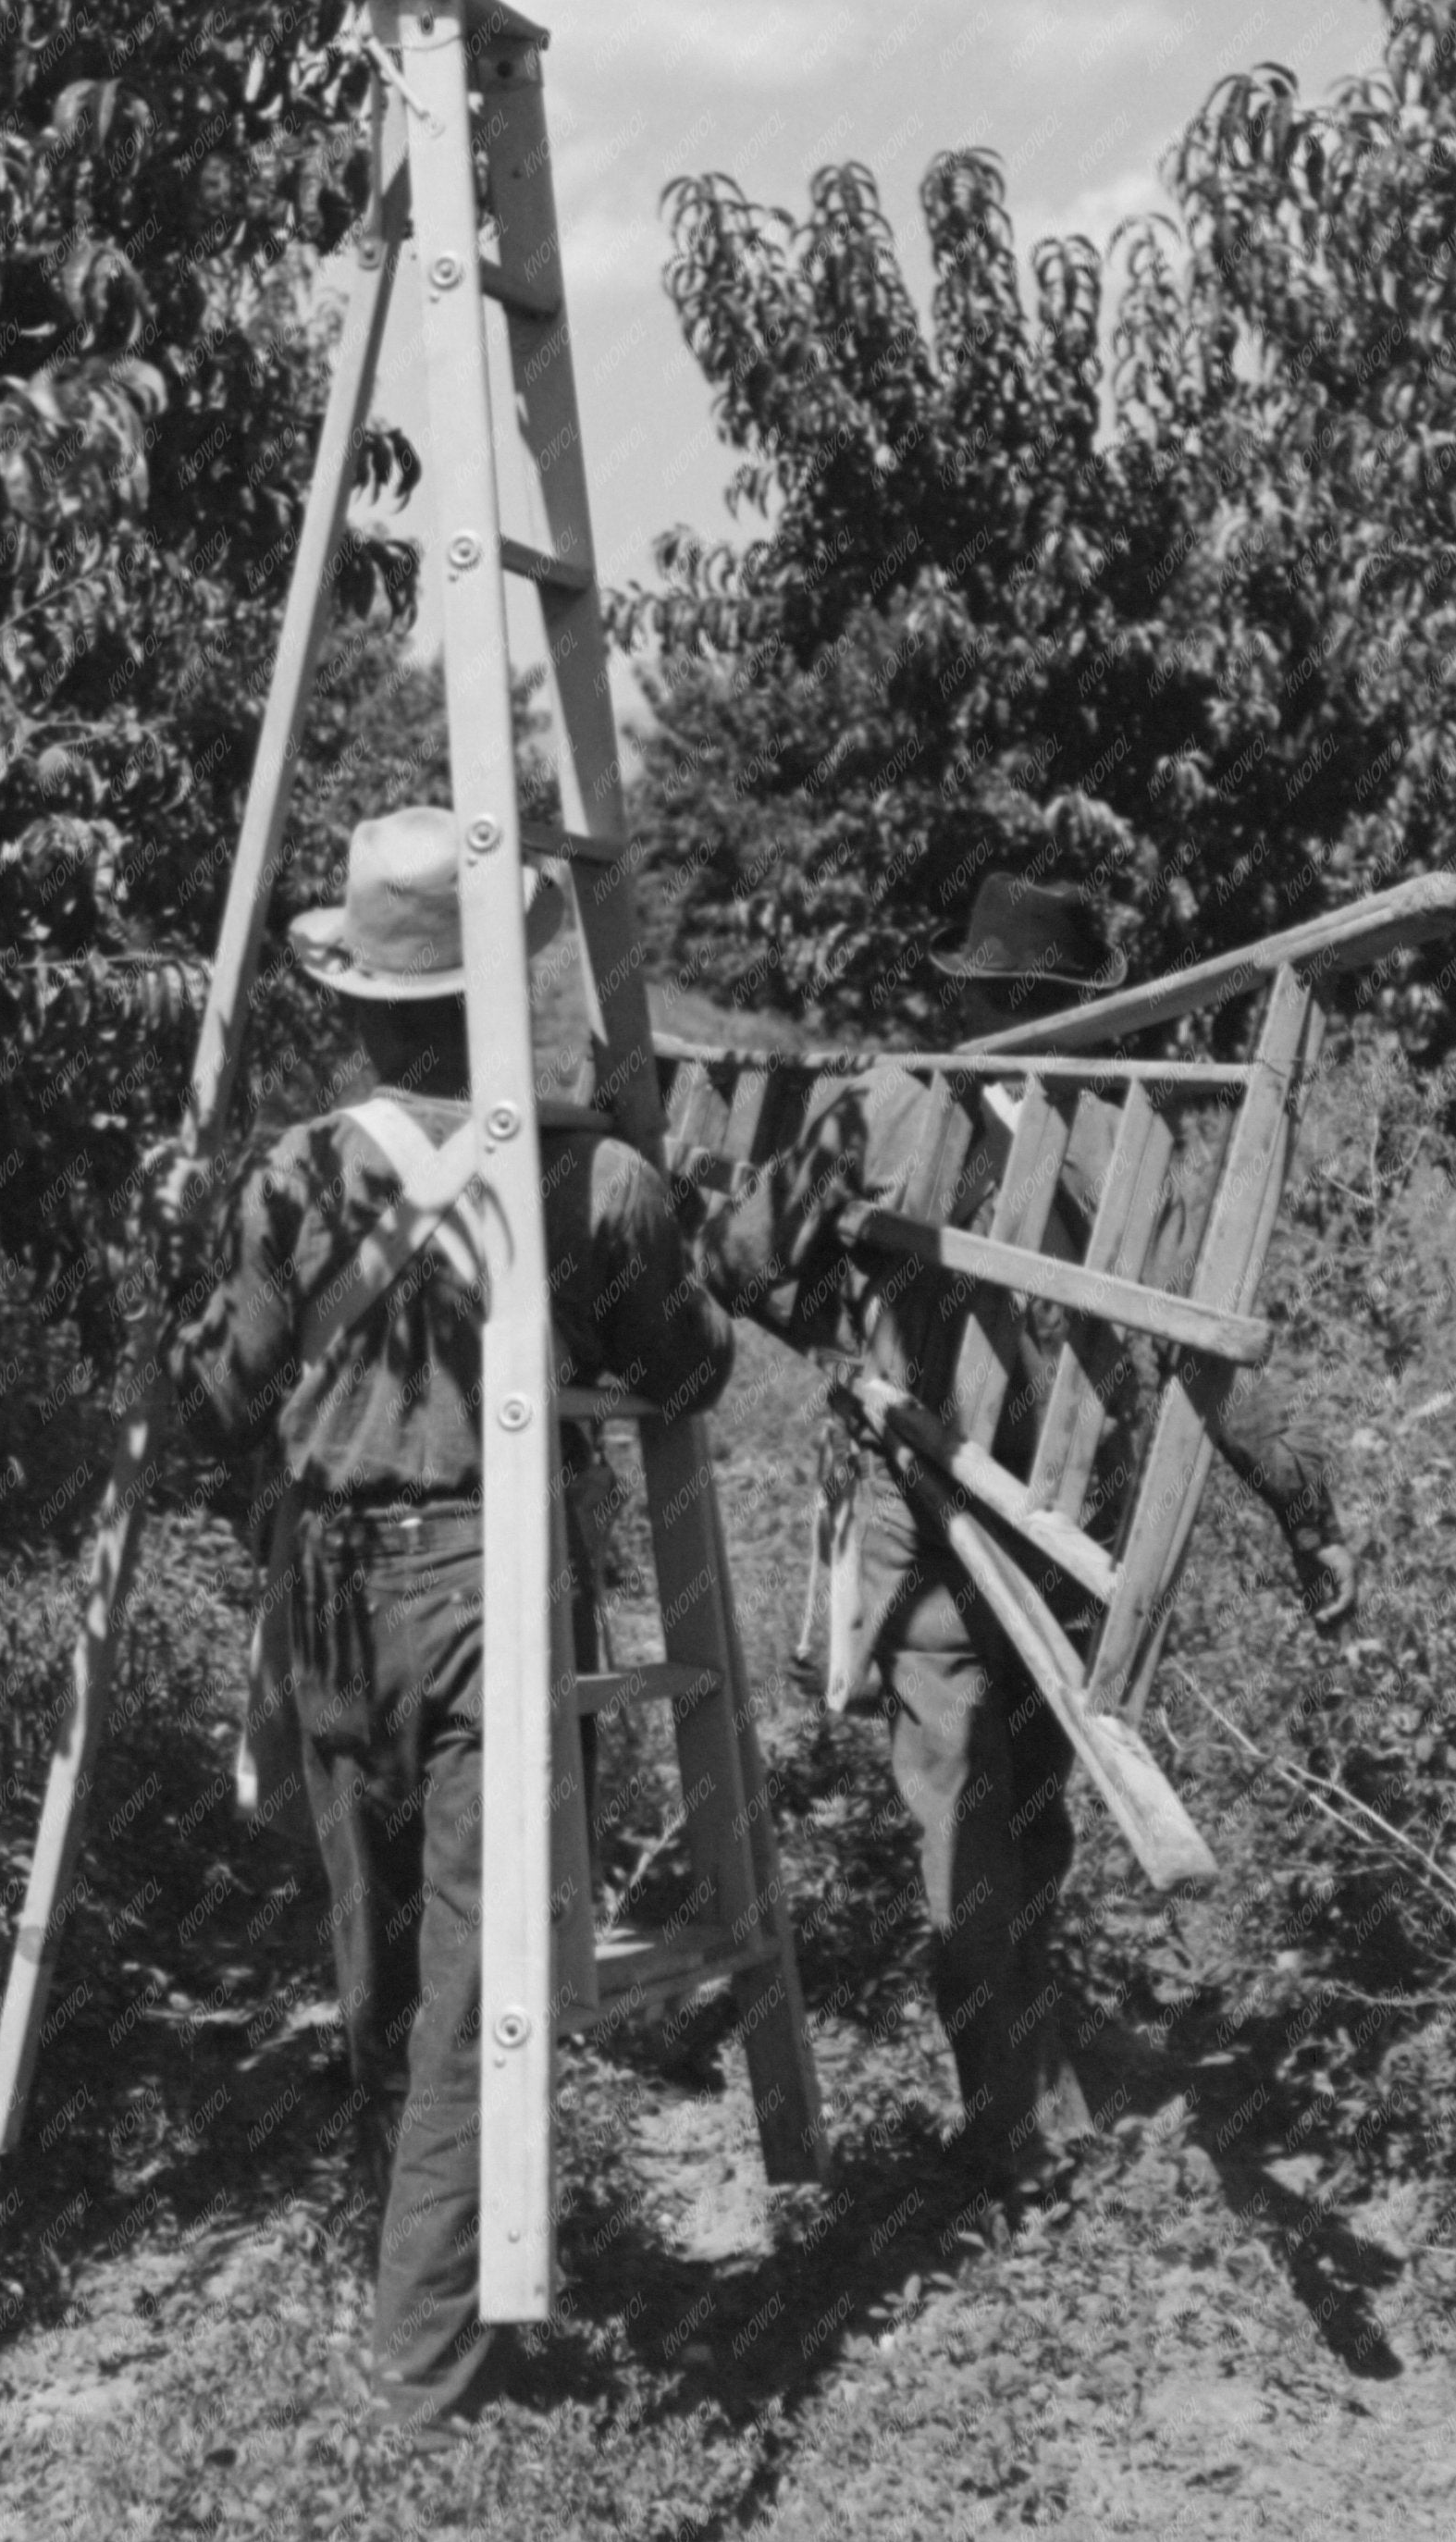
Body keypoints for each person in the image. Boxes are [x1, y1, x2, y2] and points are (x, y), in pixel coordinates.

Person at [143, 805, 736, 2429]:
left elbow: (207, 1399)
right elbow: (693, 1368)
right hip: (493, 1579)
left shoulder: (287, 1181)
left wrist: (178, 1262)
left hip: (328, 1593)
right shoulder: (582, 1177)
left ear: (352, 1008)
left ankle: (406, 2278)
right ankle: (425, 2376)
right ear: (489, 1001)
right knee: (481, 1981)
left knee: (385, 1963)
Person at [695, 872, 1357, 2210]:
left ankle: (1020, 2087)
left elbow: (738, 1257)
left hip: (1051, 1538)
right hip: (961, 1529)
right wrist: (844, 1345)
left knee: (1012, 1818)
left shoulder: (1004, 1125)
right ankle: (1016, 2118)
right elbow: (744, 1256)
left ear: (986, 998)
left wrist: (1306, 1504)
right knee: (970, 1820)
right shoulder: (933, 1112)